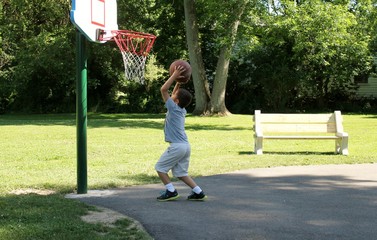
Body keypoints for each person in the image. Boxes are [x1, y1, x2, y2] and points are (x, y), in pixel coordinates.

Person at [155, 65, 207, 202]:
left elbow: (163, 89)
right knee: (181, 173)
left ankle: (171, 191)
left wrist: (174, 74)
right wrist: (178, 81)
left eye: (174, 96)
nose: (171, 96)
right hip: (185, 146)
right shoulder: (181, 109)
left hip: (177, 146)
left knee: (160, 168)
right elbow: (173, 94)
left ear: (176, 101)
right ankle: (198, 192)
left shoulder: (173, 108)